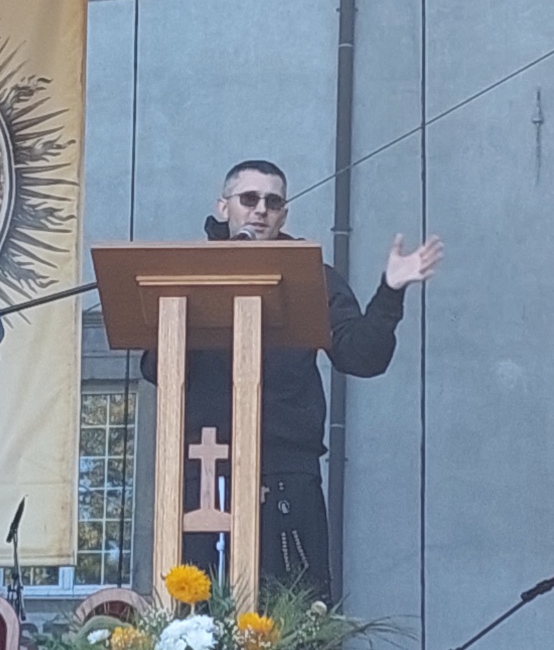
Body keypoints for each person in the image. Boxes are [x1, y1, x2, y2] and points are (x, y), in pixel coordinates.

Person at [140, 159, 443, 600]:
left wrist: (390, 291)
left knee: (294, 614)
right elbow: (155, 369)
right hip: (204, 473)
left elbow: (362, 356)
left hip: (287, 476)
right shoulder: (190, 275)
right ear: (224, 207)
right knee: (197, 614)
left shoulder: (310, 277)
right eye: (249, 199)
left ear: (284, 215)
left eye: (273, 202)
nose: (261, 210)